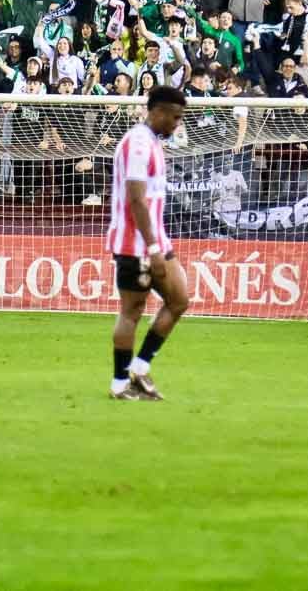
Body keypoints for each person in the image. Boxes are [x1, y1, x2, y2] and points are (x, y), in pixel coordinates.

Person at [104, 84, 190, 401]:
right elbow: (137, 201)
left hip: (155, 239)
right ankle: (118, 384)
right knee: (132, 311)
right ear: (159, 112)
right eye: (175, 117)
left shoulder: (152, 141)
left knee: (179, 299)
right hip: (134, 243)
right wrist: (152, 249)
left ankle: (140, 369)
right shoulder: (137, 144)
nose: (177, 124)